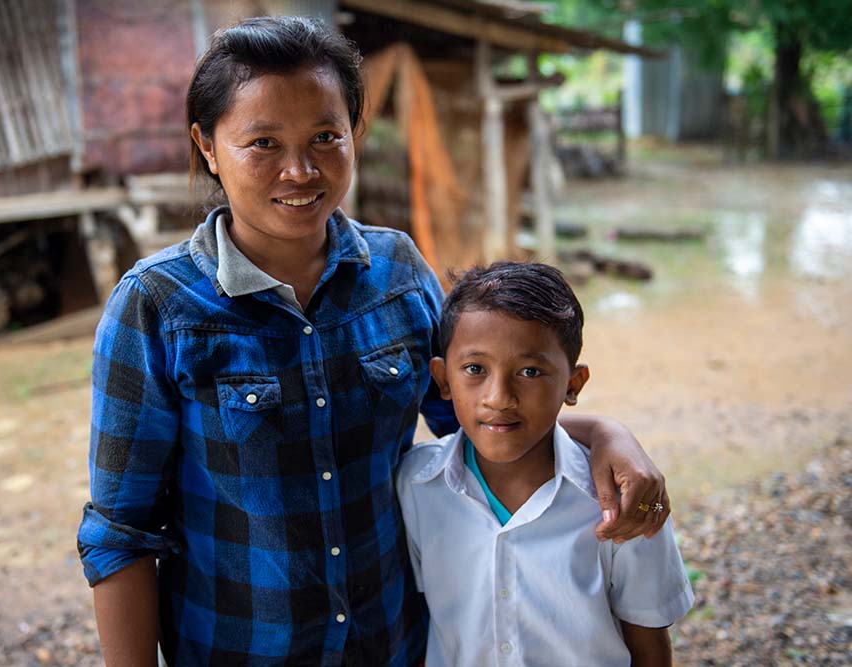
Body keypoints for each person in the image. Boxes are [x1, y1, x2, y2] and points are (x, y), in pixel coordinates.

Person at [77, 16, 671, 667]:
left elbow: (479, 425)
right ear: (209, 145)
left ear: (355, 133)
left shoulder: (397, 273)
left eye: (326, 137)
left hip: (394, 647)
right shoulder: (157, 305)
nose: (301, 170)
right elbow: (121, 534)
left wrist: (605, 433)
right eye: (263, 143)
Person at [397, 262, 694, 667]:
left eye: (530, 371)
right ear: (443, 379)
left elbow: (648, 644)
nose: (499, 397)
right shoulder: (417, 485)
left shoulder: (624, 502)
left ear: (573, 385)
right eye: (474, 369)